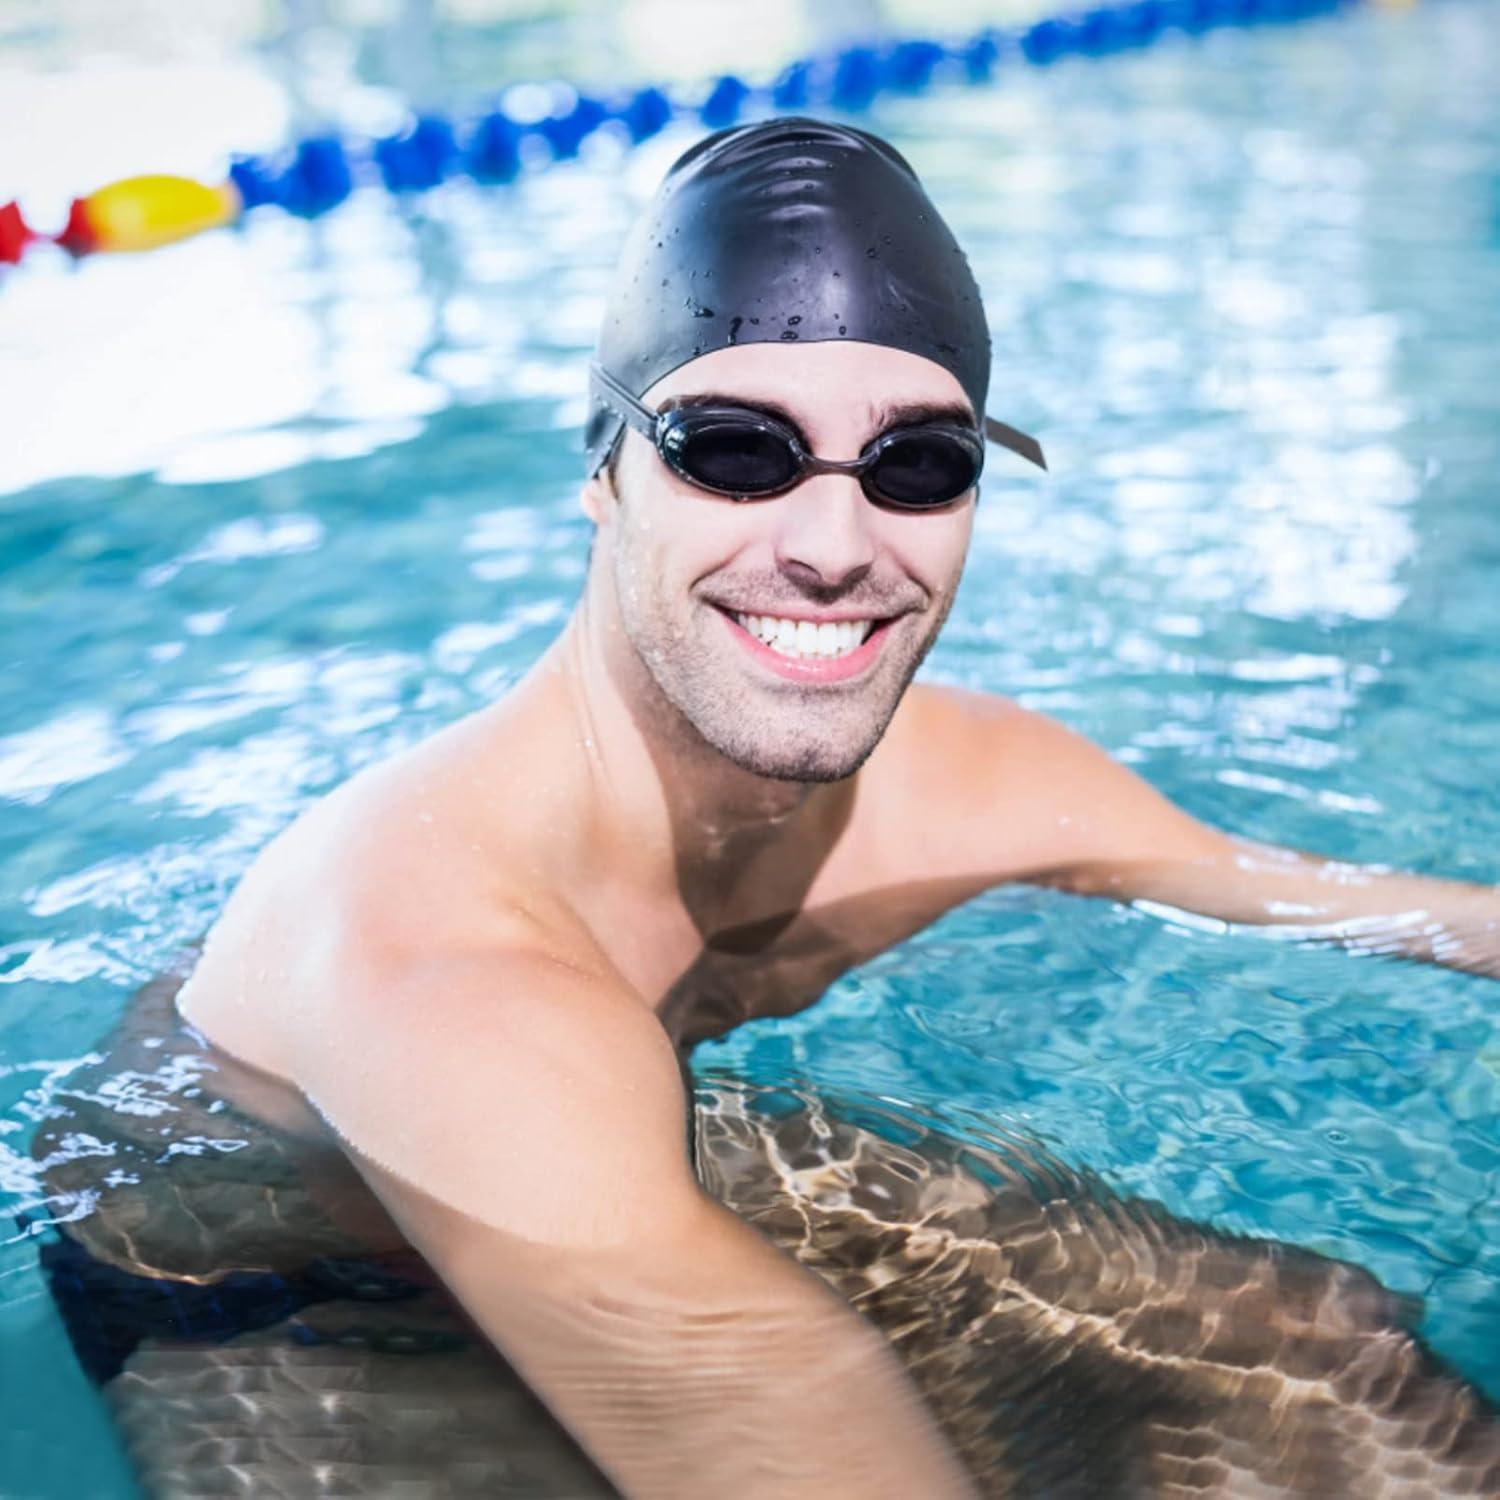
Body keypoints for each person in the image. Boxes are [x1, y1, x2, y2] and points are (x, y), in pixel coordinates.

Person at [34, 118, 1500, 1497]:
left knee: (1313, 1350)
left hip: (610, 1158)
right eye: (735, 449)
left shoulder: (970, 782)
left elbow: (1368, 910)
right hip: (287, 1299)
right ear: (604, 473)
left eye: (920, 464)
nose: (835, 544)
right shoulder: (441, 976)